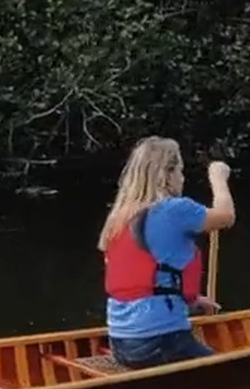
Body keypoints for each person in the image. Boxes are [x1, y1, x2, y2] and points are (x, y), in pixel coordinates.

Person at [96, 137, 235, 368]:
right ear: (167, 174)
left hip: (122, 344)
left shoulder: (118, 218)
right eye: (180, 170)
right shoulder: (174, 210)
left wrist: (192, 300)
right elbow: (226, 216)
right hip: (160, 342)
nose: (183, 177)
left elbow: (146, 280)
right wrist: (217, 177)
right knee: (227, 371)